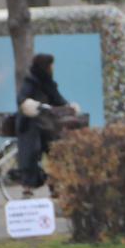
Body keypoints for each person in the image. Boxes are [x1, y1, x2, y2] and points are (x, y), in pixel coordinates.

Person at [15, 53, 77, 198]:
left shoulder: (48, 83)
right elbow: (22, 99)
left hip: (46, 125)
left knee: (55, 151)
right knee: (32, 150)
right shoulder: (30, 81)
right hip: (29, 124)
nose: (53, 67)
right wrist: (31, 105)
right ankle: (27, 186)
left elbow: (58, 99)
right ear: (45, 66)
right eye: (51, 65)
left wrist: (69, 108)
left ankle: (55, 186)